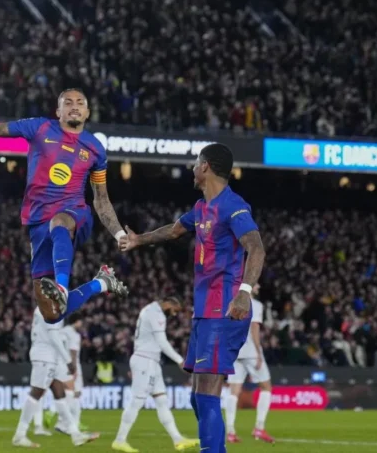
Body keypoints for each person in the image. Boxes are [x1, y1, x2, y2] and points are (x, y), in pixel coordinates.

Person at [119, 143, 266, 453]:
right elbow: (173, 231)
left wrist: (244, 292)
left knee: (208, 393)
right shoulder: (201, 208)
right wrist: (138, 240)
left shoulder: (233, 206)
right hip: (204, 311)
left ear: (206, 167)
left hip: (225, 308)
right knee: (197, 397)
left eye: (196, 163)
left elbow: (256, 247)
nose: (192, 168)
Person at [0, 88, 128, 322]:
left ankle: (62, 287)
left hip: (74, 212)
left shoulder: (96, 148)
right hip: (38, 219)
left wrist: (119, 234)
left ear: (87, 112)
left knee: (59, 222)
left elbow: (101, 198)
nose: (74, 106)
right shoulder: (39, 127)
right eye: (68, 103)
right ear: (58, 111)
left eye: (80, 103)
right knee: (51, 314)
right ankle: (101, 283)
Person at [112, 296, 200, 452]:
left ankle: (178, 439)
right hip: (144, 361)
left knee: (162, 400)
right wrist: (180, 360)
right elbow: (162, 342)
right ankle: (119, 440)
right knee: (137, 401)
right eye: (174, 310)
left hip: (152, 361)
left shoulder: (150, 310)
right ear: (168, 304)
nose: (174, 314)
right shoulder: (156, 313)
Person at [12, 307, 99, 448]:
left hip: (49, 356)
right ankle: (20, 435)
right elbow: (53, 336)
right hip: (45, 356)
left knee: (60, 394)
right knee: (36, 393)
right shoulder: (50, 307)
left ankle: (75, 434)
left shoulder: (44, 306)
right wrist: (68, 360)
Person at [223, 284, 274, 443]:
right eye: (256, 283)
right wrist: (258, 353)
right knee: (266, 387)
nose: (259, 286)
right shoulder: (255, 304)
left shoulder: (232, 303)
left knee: (234, 391)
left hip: (234, 351)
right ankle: (259, 427)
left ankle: (230, 431)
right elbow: (254, 328)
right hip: (251, 351)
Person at [44, 314, 87, 432]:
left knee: (68, 393)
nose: (81, 324)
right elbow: (73, 352)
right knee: (75, 394)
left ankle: (62, 421)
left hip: (60, 364)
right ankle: (63, 418)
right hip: (71, 365)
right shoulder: (74, 334)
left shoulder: (62, 331)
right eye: (80, 322)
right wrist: (74, 369)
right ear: (76, 321)